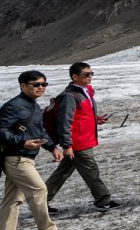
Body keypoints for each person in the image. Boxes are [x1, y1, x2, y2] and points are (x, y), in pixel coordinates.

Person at [0, 70, 73, 230]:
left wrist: (51, 147)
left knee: (13, 198)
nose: (41, 88)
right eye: (35, 84)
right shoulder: (13, 106)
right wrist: (22, 142)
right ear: (23, 86)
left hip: (24, 157)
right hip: (16, 158)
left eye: (44, 84)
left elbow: (39, 130)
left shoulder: (33, 105)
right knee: (39, 189)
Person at [45, 60, 119, 213]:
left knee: (62, 172)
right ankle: (102, 200)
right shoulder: (69, 96)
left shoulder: (85, 91)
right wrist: (67, 145)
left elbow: (81, 115)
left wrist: (96, 119)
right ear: (75, 76)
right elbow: (65, 122)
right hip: (78, 142)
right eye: (86, 74)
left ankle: (40, 202)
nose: (90, 76)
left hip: (83, 139)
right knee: (91, 170)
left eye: (91, 73)